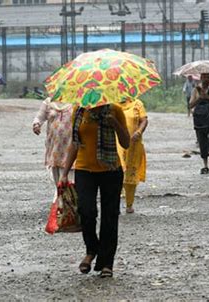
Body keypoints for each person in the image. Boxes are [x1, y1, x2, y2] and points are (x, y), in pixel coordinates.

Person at [60, 103, 129, 278]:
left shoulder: (115, 110)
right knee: (86, 210)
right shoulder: (79, 111)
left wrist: (115, 123)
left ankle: (107, 263)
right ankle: (92, 250)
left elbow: (126, 142)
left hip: (111, 170)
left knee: (110, 216)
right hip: (85, 171)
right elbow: (75, 144)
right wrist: (65, 173)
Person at [32, 97, 74, 191]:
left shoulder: (77, 101)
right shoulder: (49, 102)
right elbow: (39, 116)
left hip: (71, 146)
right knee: (57, 180)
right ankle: (60, 198)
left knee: (71, 180)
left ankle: (67, 200)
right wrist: (36, 124)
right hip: (54, 147)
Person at [116, 98, 148, 214]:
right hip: (116, 144)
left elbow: (144, 120)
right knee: (117, 172)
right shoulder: (112, 105)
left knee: (131, 173)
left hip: (133, 145)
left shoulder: (137, 104)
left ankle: (129, 204)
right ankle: (115, 204)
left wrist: (139, 132)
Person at [189, 73, 209, 174]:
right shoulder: (196, 89)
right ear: (201, 78)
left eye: (208, 77)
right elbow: (190, 105)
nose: (206, 79)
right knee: (202, 142)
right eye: (204, 77)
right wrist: (200, 98)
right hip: (199, 120)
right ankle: (205, 165)